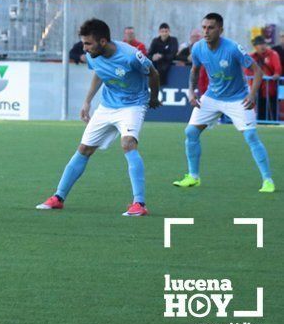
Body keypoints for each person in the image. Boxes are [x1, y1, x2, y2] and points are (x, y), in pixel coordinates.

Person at [36, 18, 161, 216]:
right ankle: (58, 197)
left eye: (88, 43)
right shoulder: (93, 56)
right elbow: (99, 73)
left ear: (103, 41)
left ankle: (139, 204)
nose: (84, 48)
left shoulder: (130, 56)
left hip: (133, 105)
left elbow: (153, 73)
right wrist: (87, 101)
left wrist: (153, 98)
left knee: (128, 144)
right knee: (84, 149)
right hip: (107, 106)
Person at [173, 14, 274, 193]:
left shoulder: (233, 48)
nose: (206, 31)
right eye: (204, 27)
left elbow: (257, 72)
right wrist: (191, 91)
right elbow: (195, 71)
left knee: (251, 137)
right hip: (212, 97)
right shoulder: (198, 48)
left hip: (238, 98)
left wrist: (251, 95)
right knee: (190, 132)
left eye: (210, 27)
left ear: (220, 30)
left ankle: (267, 180)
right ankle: (193, 177)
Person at [248, 36, 281, 122]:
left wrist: (277, 74)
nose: (262, 46)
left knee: (272, 110)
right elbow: (246, 70)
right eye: (259, 44)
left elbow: (278, 69)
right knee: (259, 109)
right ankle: (260, 125)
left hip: (270, 88)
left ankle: (274, 125)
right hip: (257, 89)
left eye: (263, 44)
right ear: (255, 46)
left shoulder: (273, 54)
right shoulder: (252, 56)